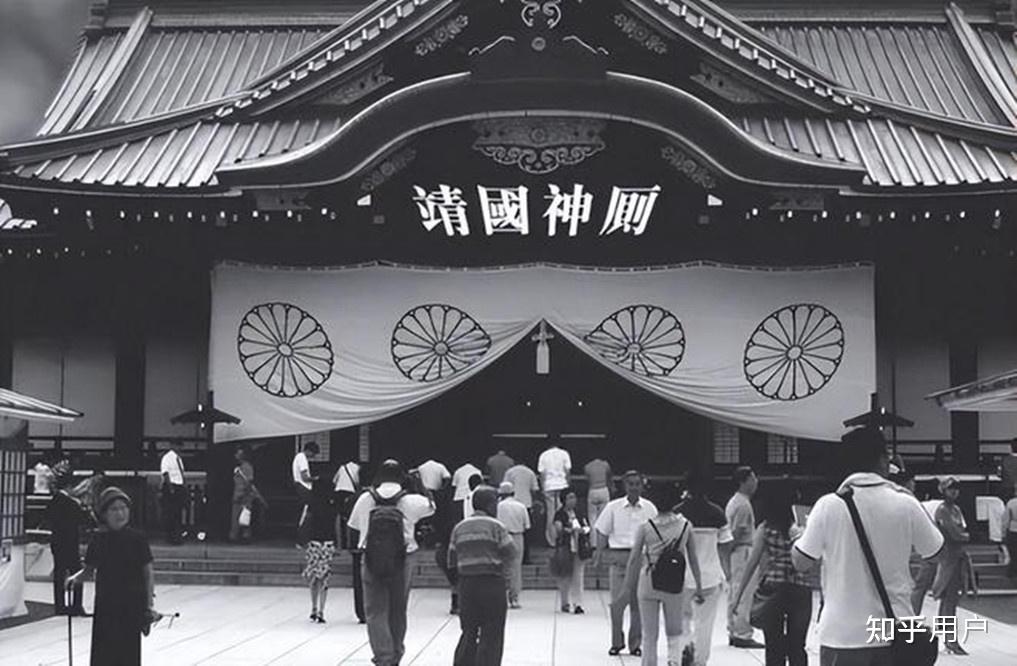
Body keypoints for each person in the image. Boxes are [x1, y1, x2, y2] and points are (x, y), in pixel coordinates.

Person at [792, 427, 944, 666]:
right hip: (894, 631)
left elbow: (801, 562)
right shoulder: (906, 503)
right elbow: (936, 552)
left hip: (843, 634)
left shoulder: (828, 506)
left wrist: (798, 534)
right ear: (884, 461)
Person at [347, 459, 435, 666]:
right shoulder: (411, 500)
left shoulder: (365, 499)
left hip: (370, 557)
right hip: (403, 558)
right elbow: (432, 507)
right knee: (398, 608)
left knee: (375, 610)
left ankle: (383, 656)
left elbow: (353, 525)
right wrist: (419, 485)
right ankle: (396, 652)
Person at [66, 487, 157, 666]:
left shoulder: (138, 539)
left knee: (127, 653)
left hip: (131, 604)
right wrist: (74, 579)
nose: (120, 513)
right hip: (106, 605)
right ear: (104, 514)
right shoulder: (98, 540)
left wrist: (148, 605)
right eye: (114, 509)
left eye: (123, 508)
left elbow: (148, 573)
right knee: (104, 652)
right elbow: (88, 570)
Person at [625, 481, 704, 666]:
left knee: (649, 635)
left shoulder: (646, 527)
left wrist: (629, 584)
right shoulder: (685, 526)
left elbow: (634, 558)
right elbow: (693, 558)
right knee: (674, 631)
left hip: (649, 580)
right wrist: (699, 586)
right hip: (675, 581)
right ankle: (674, 661)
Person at [734, 479, 812, 666]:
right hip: (800, 588)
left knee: (773, 645)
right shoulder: (801, 528)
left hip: (773, 589)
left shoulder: (766, 528)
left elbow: (752, 563)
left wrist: (738, 596)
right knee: (797, 645)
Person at [449, 485, 517, 666]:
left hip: (467, 585)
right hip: (492, 584)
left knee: (469, 630)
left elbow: (451, 559)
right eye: (495, 503)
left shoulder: (459, 527)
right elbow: (511, 552)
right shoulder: (497, 526)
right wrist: (507, 578)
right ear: (488, 505)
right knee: (492, 631)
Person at [594, 470, 658, 657]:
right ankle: (616, 642)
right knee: (617, 603)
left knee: (639, 603)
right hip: (619, 557)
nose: (634, 487)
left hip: (641, 557)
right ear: (625, 485)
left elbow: (656, 533)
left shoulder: (649, 508)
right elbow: (602, 531)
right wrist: (598, 553)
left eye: (637, 483)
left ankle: (635, 644)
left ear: (642, 485)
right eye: (630, 484)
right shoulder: (613, 507)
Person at [676, 473, 732, 666]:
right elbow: (726, 545)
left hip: (681, 576)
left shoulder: (678, 513)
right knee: (705, 623)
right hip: (710, 575)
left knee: (682, 618)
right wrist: (727, 572)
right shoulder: (717, 513)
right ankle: (700, 661)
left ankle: (685, 648)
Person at [725, 466, 763, 649]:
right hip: (743, 551)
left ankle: (733, 629)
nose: (756, 482)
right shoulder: (743, 504)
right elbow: (738, 531)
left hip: (736, 553)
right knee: (745, 591)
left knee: (735, 590)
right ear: (744, 481)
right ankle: (742, 632)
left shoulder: (735, 501)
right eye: (753, 478)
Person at [932, 476, 970, 656]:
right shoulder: (942, 510)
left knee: (950, 599)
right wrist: (965, 536)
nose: (954, 492)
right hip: (948, 556)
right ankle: (950, 639)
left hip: (957, 556)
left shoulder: (956, 509)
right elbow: (956, 533)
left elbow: (962, 530)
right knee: (949, 600)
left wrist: (963, 536)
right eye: (950, 489)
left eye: (956, 489)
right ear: (943, 490)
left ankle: (947, 637)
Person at [45, 468, 91, 616]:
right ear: (69, 487)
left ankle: (60, 606)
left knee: (59, 575)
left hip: (57, 542)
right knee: (77, 573)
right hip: (70, 543)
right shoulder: (71, 503)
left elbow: (48, 518)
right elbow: (82, 519)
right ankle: (76, 606)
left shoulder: (53, 501)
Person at [552, 487, 592, 614]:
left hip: (579, 547)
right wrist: (568, 530)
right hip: (566, 547)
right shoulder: (560, 514)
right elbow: (558, 528)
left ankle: (578, 603)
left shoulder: (579, 512)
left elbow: (587, 527)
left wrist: (582, 531)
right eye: (569, 497)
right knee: (565, 576)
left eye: (574, 497)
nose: (572, 500)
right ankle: (565, 602)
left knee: (578, 576)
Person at [304, 477, 338, 623]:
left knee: (314, 577)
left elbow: (306, 523)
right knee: (324, 577)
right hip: (328, 543)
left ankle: (313, 607)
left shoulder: (311, 505)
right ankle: (321, 611)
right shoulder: (332, 505)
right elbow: (336, 526)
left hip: (314, 542)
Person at [496, 481, 531, 609]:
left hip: (502, 537)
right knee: (516, 568)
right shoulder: (521, 506)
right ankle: (514, 598)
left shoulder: (498, 506)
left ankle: (503, 597)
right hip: (517, 537)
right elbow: (527, 525)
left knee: (503, 567)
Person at [504, 461, 540, 564]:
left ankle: (508, 555)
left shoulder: (510, 472)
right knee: (526, 532)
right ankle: (525, 557)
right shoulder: (530, 472)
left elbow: (505, 487)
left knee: (509, 529)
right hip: (526, 504)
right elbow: (534, 489)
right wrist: (534, 502)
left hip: (510, 503)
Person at [538, 443, 572, 546]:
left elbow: (542, 473)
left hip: (549, 485)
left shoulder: (543, 455)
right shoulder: (564, 453)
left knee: (551, 513)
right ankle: (563, 537)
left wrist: (542, 487)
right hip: (562, 485)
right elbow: (567, 471)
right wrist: (568, 484)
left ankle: (552, 540)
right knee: (563, 512)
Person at [230, 445, 263, 543]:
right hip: (240, 493)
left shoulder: (247, 467)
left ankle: (239, 536)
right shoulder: (240, 467)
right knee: (242, 516)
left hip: (243, 495)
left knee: (240, 516)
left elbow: (249, 482)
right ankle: (242, 535)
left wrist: (244, 495)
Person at [159, 443, 187, 545]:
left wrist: (184, 485)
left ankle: (177, 536)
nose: (180, 448)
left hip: (179, 486)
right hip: (171, 486)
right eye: (179, 446)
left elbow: (181, 473)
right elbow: (165, 473)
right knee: (171, 513)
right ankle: (170, 537)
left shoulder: (179, 459)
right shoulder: (167, 458)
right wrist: (170, 488)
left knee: (177, 513)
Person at [293, 441, 319, 543]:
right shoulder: (302, 458)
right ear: (308, 451)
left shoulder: (298, 457)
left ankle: (302, 538)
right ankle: (301, 539)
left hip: (300, 487)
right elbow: (305, 477)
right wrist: (315, 479)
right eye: (313, 453)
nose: (313, 456)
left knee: (304, 513)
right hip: (304, 488)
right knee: (306, 515)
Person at [333, 458, 362, 550]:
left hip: (338, 493)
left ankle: (339, 544)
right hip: (350, 493)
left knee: (339, 516)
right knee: (350, 517)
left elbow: (334, 480)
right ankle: (349, 543)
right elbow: (357, 482)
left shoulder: (342, 467)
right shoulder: (357, 467)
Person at [584, 457, 613, 526]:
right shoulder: (605, 464)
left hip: (593, 490)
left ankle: (593, 536)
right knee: (603, 517)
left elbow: (588, 480)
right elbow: (609, 476)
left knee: (592, 519)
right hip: (603, 489)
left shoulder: (587, 466)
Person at [1006, 485, 1017, 579]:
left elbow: (1006, 519)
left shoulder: (1011, 503)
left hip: (1013, 530)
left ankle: (1012, 574)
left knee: (1014, 554)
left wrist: (1003, 532)